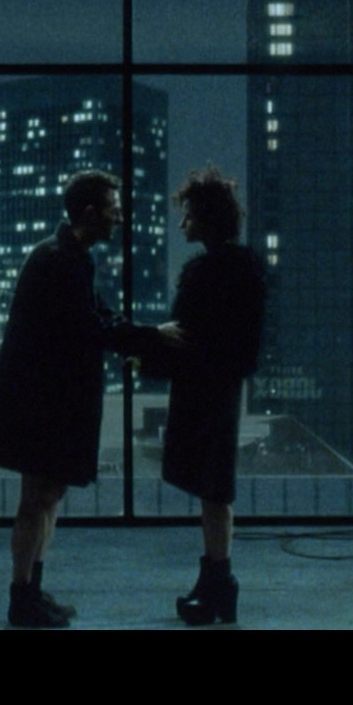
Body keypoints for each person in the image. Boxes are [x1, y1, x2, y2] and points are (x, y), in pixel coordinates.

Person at [0, 169, 145, 628]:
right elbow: (88, 326)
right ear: (90, 213)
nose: (119, 219)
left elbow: (94, 315)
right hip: (43, 405)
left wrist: (135, 335)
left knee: (46, 496)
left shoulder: (64, 256)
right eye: (113, 210)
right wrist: (146, 338)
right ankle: (22, 598)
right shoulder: (62, 261)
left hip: (45, 402)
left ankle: (30, 592)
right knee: (37, 499)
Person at [147, 166, 266, 626]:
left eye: (189, 215)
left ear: (206, 218)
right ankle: (218, 582)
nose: (183, 224)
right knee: (215, 489)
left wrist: (149, 355)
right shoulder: (245, 268)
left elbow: (183, 334)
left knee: (211, 488)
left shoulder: (203, 272)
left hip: (201, 391)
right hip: (223, 389)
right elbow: (244, 344)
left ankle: (218, 582)